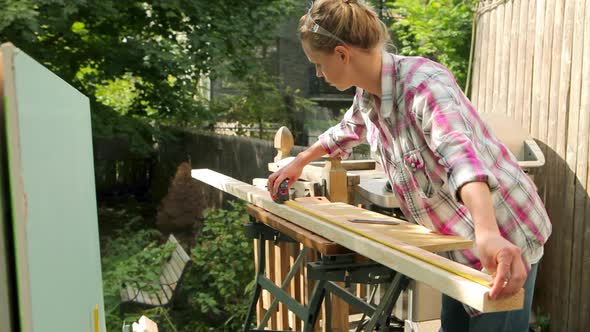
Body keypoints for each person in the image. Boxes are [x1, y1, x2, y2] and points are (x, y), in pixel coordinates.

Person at [266, 0, 552, 331]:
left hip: (503, 239)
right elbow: (345, 131)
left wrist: (488, 233)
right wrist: (300, 161)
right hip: (458, 246)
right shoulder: (367, 96)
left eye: (318, 63)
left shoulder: (424, 85)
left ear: (343, 54)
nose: (318, 73)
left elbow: (461, 156)